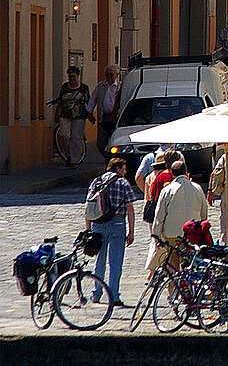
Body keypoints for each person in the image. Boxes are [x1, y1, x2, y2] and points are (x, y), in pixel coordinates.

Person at [84, 157, 134, 305]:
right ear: (117, 168)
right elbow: (130, 209)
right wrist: (131, 231)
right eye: (124, 169)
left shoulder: (97, 181)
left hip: (98, 224)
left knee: (100, 261)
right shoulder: (123, 183)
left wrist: (88, 229)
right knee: (116, 262)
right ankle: (114, 296)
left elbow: (88, 206)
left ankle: (96, 294)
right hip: (117, 223)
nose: (125, 172)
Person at [149, 160, 208, 272]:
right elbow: (204, 213)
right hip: (192, 234)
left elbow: (159, 215)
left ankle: (174, 288)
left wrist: (156, 236)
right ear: (186, 171)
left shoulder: (167, 190)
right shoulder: (197, 188)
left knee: (173, 268)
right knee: (189, 268)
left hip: (172, 235)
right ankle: (187, 288)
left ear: (172, 173)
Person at [54, 66, 90, 167]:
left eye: (74, 76)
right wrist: (56, 113)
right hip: (65, 114)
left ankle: (74, 160)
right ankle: (67, 155)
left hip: (79, 116)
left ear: (78, 76)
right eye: (70, 77)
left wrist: (89, 114)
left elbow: (88, 102)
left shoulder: (84, 88)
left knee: (76, 137)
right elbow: (60, 100)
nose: (72, 79)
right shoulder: (65, 87)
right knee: (64, 135)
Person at [87, 64, 123, 158]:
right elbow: (93, 99)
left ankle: (113, 161)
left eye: (111, 74)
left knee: (114, 142)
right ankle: (108, 158)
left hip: (116, 118)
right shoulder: (101, 85)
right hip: (103, 117)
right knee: (100, 143)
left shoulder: (120, 87)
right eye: (107, 74)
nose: (109, 77)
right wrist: (89, 112)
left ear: (116, 75)